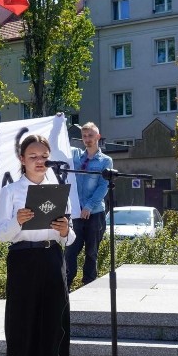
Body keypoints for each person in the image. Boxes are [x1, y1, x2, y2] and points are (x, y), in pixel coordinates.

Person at [0, 134, 75, 356]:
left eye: (44, 156)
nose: (40, 161)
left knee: (53, 327)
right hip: (23, 259)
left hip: (53, 258)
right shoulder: (12, 191)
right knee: (22, 327)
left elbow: (69, 237)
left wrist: (66, 230)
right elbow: (1, 234)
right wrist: (17, 221)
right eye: (34, 157)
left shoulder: (57, 190)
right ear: (22, 159)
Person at [65, 122, 113, 287]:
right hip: (77, 213)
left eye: (90, 136)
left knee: (91, 252)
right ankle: (66, 284)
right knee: (71, 250)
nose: (87, 139)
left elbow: (103, 186)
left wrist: (89, 207)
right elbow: (58, 146)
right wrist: (59, 123)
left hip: (95, 213)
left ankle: (89, 285)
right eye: (84, 136)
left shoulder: (106, 161)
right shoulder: (76, 157)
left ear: (98, 137)